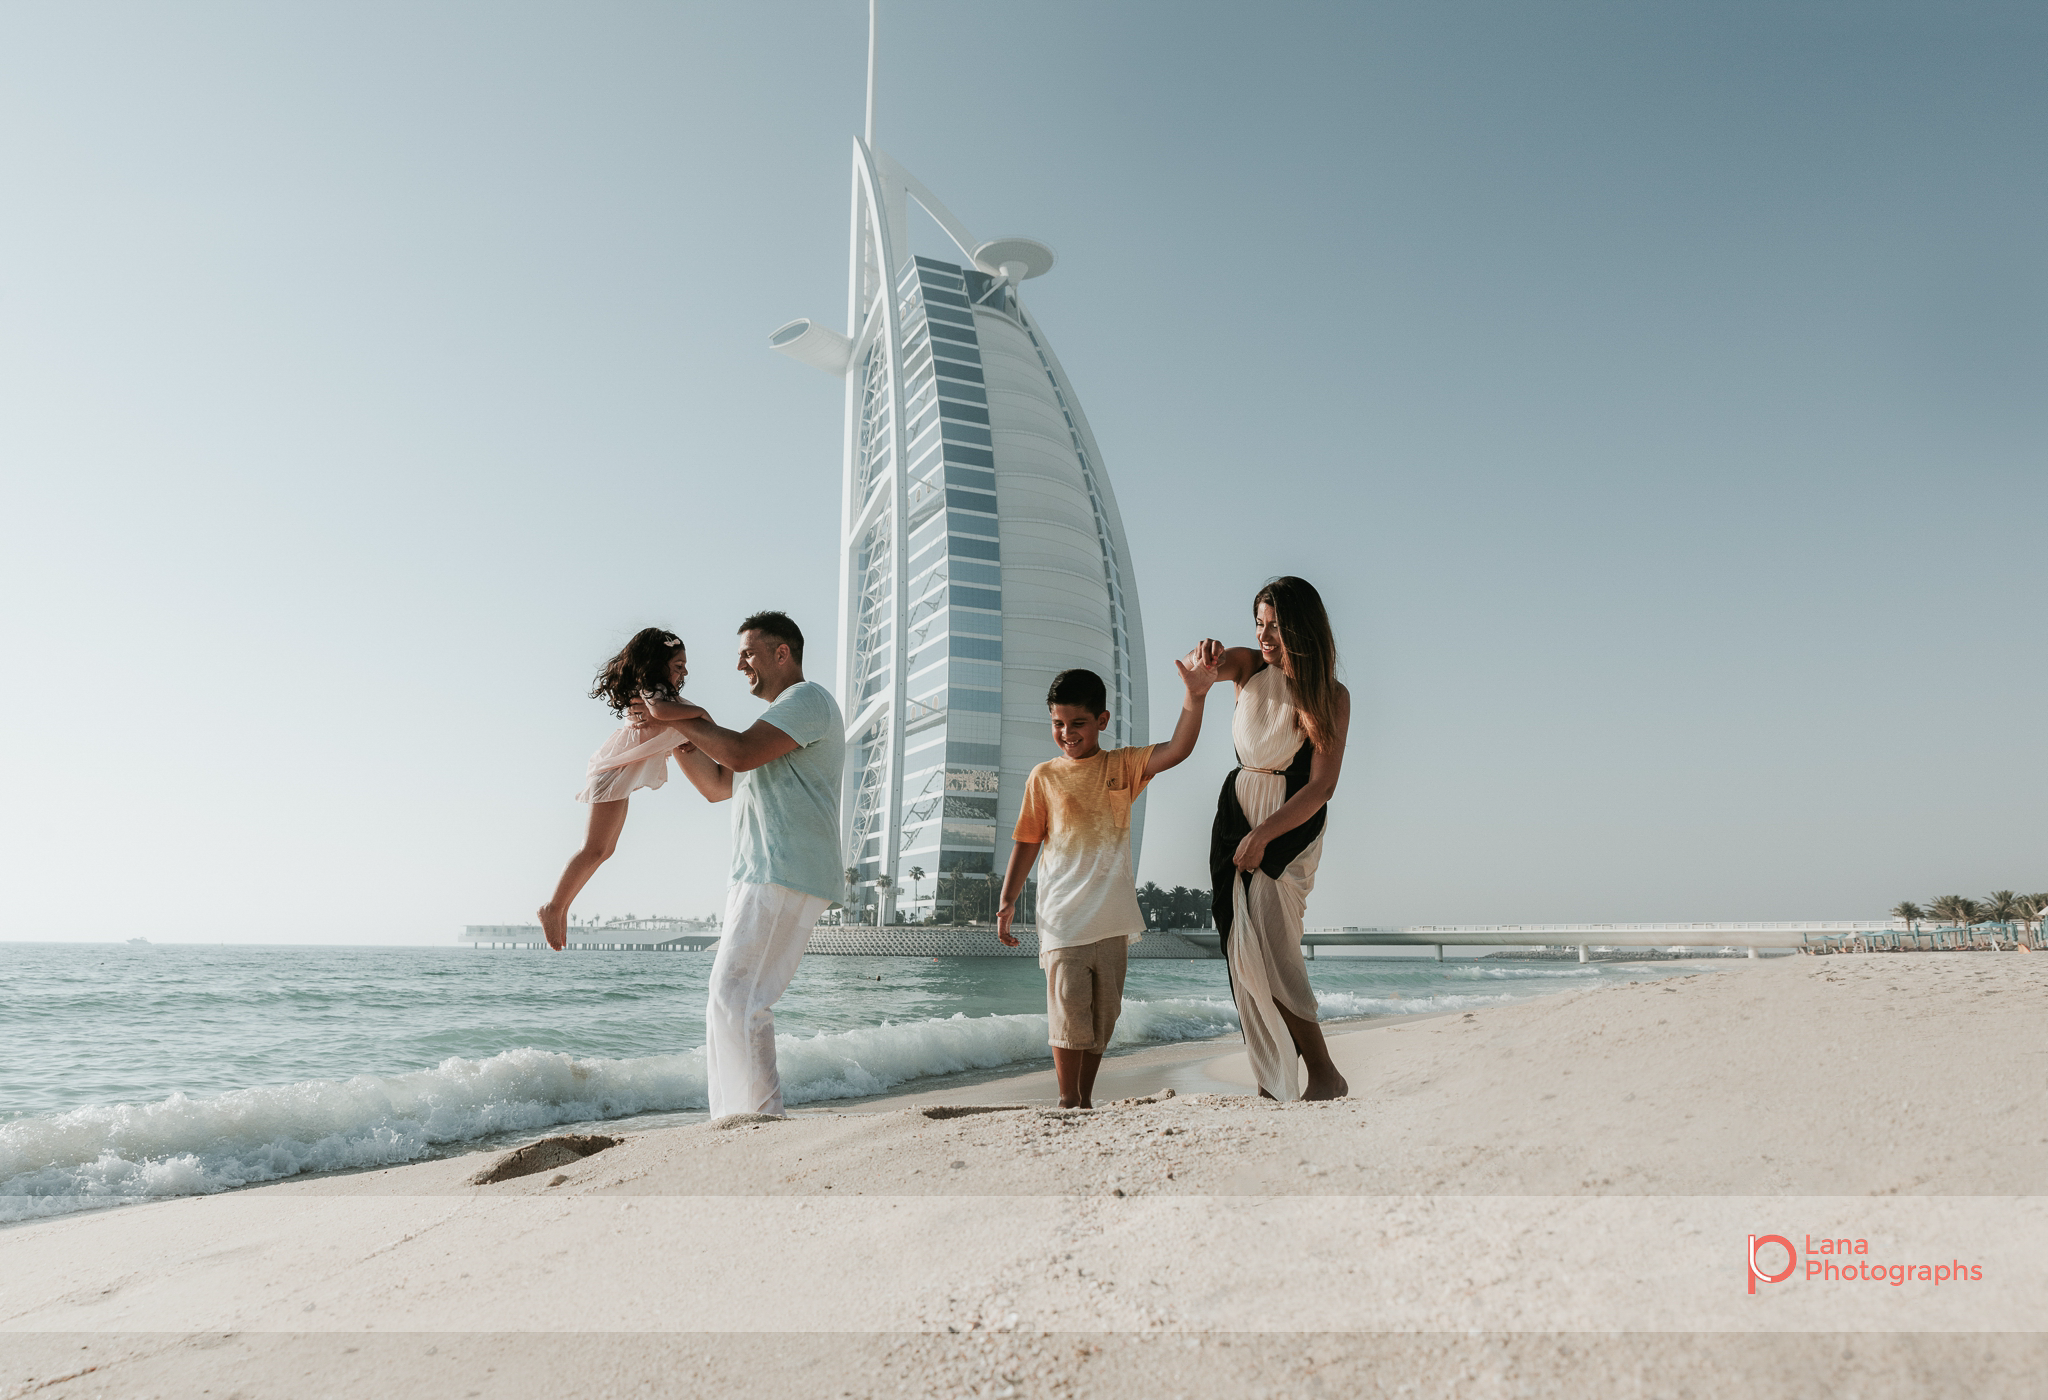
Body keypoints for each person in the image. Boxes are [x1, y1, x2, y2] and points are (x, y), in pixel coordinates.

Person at [995, 654, 1216, 1108]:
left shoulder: (1122, 766)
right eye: (1058, 723)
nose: (1066, 733)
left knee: (1102, 1018)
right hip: (1064, 920)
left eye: (1077, 723)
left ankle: (1085, 1098)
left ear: (1102, 721)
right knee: (1068, 1013)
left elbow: (1178, 749)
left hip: (1113, 920)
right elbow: (1027, 842)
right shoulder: (1044, 777)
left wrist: (1195, 696)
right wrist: (1007, 901)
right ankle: (1066, 1098)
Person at [651, 611, 845, 1120]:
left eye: (749, 653)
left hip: (783, 870)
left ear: (782, 654)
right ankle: (737, 1115)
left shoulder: (807, 700)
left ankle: (758, 1119)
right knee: (730, 999)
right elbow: (718, 784)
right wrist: (676, 734)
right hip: (761, 873)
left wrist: (675, 712)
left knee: (737, 998)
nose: (739, 663)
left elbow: (736, 754)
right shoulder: (774, 726)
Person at [1202, 576, 1352, 1102]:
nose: (1265, 637)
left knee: (1274, 948)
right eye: (1260, 624)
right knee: (1240, 946)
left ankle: (1325, 1073)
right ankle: (1271, 1077)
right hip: (1235, 811)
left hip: (1289, 822)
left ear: (1304, 630)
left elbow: (1322, 786)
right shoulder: (1248, 668)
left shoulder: (1330, 696)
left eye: (1277, 627)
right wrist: (1208, 658)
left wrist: (1265, 835)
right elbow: (1211, 669)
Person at [537, 629, 701, 951]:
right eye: (679, 665)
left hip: (619, 771)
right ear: (657, 664)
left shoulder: (656, 694)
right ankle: (553, 906)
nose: (685, 672)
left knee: (603, 850)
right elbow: (665, 715)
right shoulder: (654, 694)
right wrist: (704, 716)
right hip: (613, 772)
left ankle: (562, 906)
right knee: (593, 849)